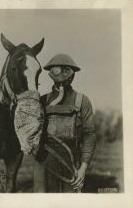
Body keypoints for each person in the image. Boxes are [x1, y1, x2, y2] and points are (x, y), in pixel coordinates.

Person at [34, 54, 96, 193]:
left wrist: (83, 168)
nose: (61, 75)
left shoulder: (81, 101)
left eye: (66, 70)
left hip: (72, 158)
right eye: (56, 70)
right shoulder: (41, 101)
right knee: (41, 201)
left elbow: (89, 135)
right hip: (44, 159)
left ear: (71, 74)